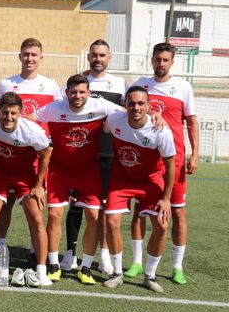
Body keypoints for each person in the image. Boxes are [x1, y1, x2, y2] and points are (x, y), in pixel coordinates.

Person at [34, 74, 123, 284]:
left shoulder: (101, 106)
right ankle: (54, 264)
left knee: (93, 216)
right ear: (66, 93)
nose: (77, 96)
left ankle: (86, 267)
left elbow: (128, 114)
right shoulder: (53, 109)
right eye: (73, 92)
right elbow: (32, 117)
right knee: (55, 215)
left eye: (82, 92)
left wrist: (155, 115)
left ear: (89, 93)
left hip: (88, 171)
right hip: (59, 171)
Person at [127, 43, 199, 285]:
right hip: (146, 160)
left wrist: (195, 153)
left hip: (174, 159)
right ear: (152, 59)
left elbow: (192, 122)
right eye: (157, 59)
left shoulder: (182, 87)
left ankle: (177, 266)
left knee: (177, 211)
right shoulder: (141, 84)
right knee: (140, 210)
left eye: (165, 60)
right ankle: (137, 262)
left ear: (172, 62)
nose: (161, 63)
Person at [0, 92, 52, 286]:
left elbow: (45, 155)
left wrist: (39, 186)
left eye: (13, 113)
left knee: (37, 218)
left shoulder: (32, 131)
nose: (9, 117)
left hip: (26, 178)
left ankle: (42, 271)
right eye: (5, 112)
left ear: (20, 112)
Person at [0, 37, 61, 267]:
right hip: (12, 152)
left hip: (37, 153)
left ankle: (34, 251)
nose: (30, 58)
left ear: (41, 58)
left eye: (34, 55)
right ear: (19, 56)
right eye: (26, 54)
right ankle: (0, 245)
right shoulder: (6, 84)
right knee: (6, 202)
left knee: (35, 203)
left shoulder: (51, 85)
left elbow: (59, 114)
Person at [60, 39, 125, 275]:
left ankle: (104, 253)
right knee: (75, 205)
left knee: (104, 207)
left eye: (102, 55)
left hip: (107, 153)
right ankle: (70, 252)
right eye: (94, 55)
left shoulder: (119, 83)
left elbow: (125, 112)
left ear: (109, 57)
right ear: (88, 56)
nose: (98, 59)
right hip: (79, 153)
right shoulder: (77, 82)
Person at [102, 86, 176, 292]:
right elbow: (102, 128)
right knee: (111, 222)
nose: (136, 107)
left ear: (148, 106)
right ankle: (117, 274)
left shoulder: (160, 130)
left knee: (161, 226)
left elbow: (170, 165)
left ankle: (150, 276)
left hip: (150, 181)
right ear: (125, 105)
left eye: (141, 103)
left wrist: (166, 198)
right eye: (132, 103)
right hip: (121, 180)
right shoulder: (114, 120)